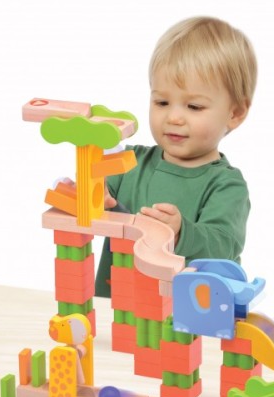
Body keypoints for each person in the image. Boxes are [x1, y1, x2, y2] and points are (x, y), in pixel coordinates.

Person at [95, 16, 258, 298]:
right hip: (116, 305)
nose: (173, 117)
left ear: (235, 113)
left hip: (188, 314)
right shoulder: (129, 162)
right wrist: (88, 194)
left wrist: (182, 232)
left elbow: (223, 248)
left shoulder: (226, 186)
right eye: (162, 102)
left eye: (194, 106)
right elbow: (97, 197)